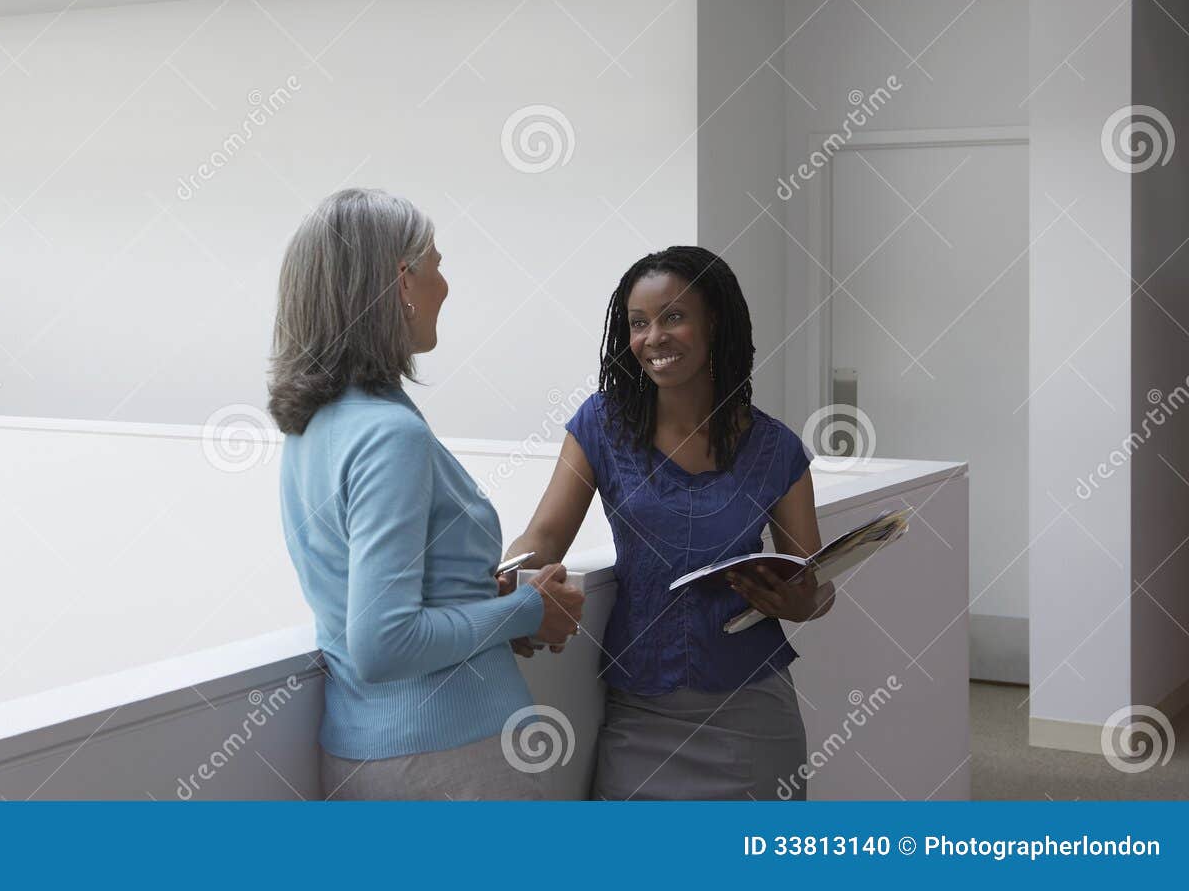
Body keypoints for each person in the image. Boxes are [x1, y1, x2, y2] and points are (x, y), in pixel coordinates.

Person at [269, 188, 584, 800]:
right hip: (451, 763)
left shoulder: (316, 426)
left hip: (371, 754)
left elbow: (376, 603)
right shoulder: (390, 434)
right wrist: (526, 611)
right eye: (436, 264)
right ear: (403, 283)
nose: (446, 285)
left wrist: (477, 596)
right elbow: (383, 644)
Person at [504, 246, 835, 800]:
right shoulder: (601, 425)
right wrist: (508, 579)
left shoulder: (776, 448)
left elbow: (815, 583)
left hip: (752, 716)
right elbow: (542, 538)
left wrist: (803, 601)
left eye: (674, 316)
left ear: (716, 323)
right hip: (640, 710)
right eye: (638, 323)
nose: (654, 337)